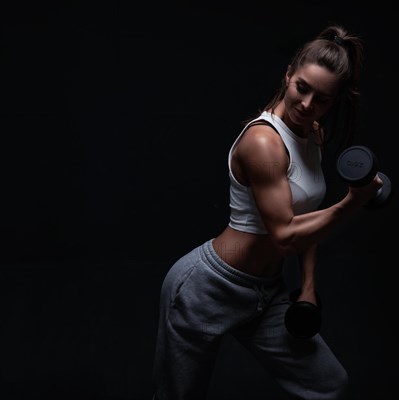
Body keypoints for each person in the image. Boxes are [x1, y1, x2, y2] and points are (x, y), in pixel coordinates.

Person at [152, 24, 383, 400]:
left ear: (334, 102)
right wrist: (352, 201)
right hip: (208, 288)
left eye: (322, 99)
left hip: (266, 294)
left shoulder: (312, 133)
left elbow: (308, 215)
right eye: (302, 88)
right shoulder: (264, 142)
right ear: (289, 75)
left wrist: (307, 287)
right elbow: (286, 235)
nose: (307, 105)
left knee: (328, 384)